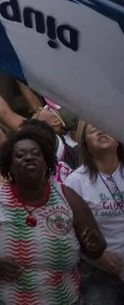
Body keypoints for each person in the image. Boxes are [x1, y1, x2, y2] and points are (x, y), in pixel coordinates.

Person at [0, 121, 106, 305]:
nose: (29, 158)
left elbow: (95, 249)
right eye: (20, 155)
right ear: (9, 166)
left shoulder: (67, 197)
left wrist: (95, 245)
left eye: (36, 154)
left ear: (47, 161)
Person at [64, 122, 124, 302]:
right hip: (100, 273)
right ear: (85, 145)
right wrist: (99, 256)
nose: (101, 131)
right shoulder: (75, 182)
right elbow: (68, 231)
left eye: (105, 126)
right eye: (93, 130)